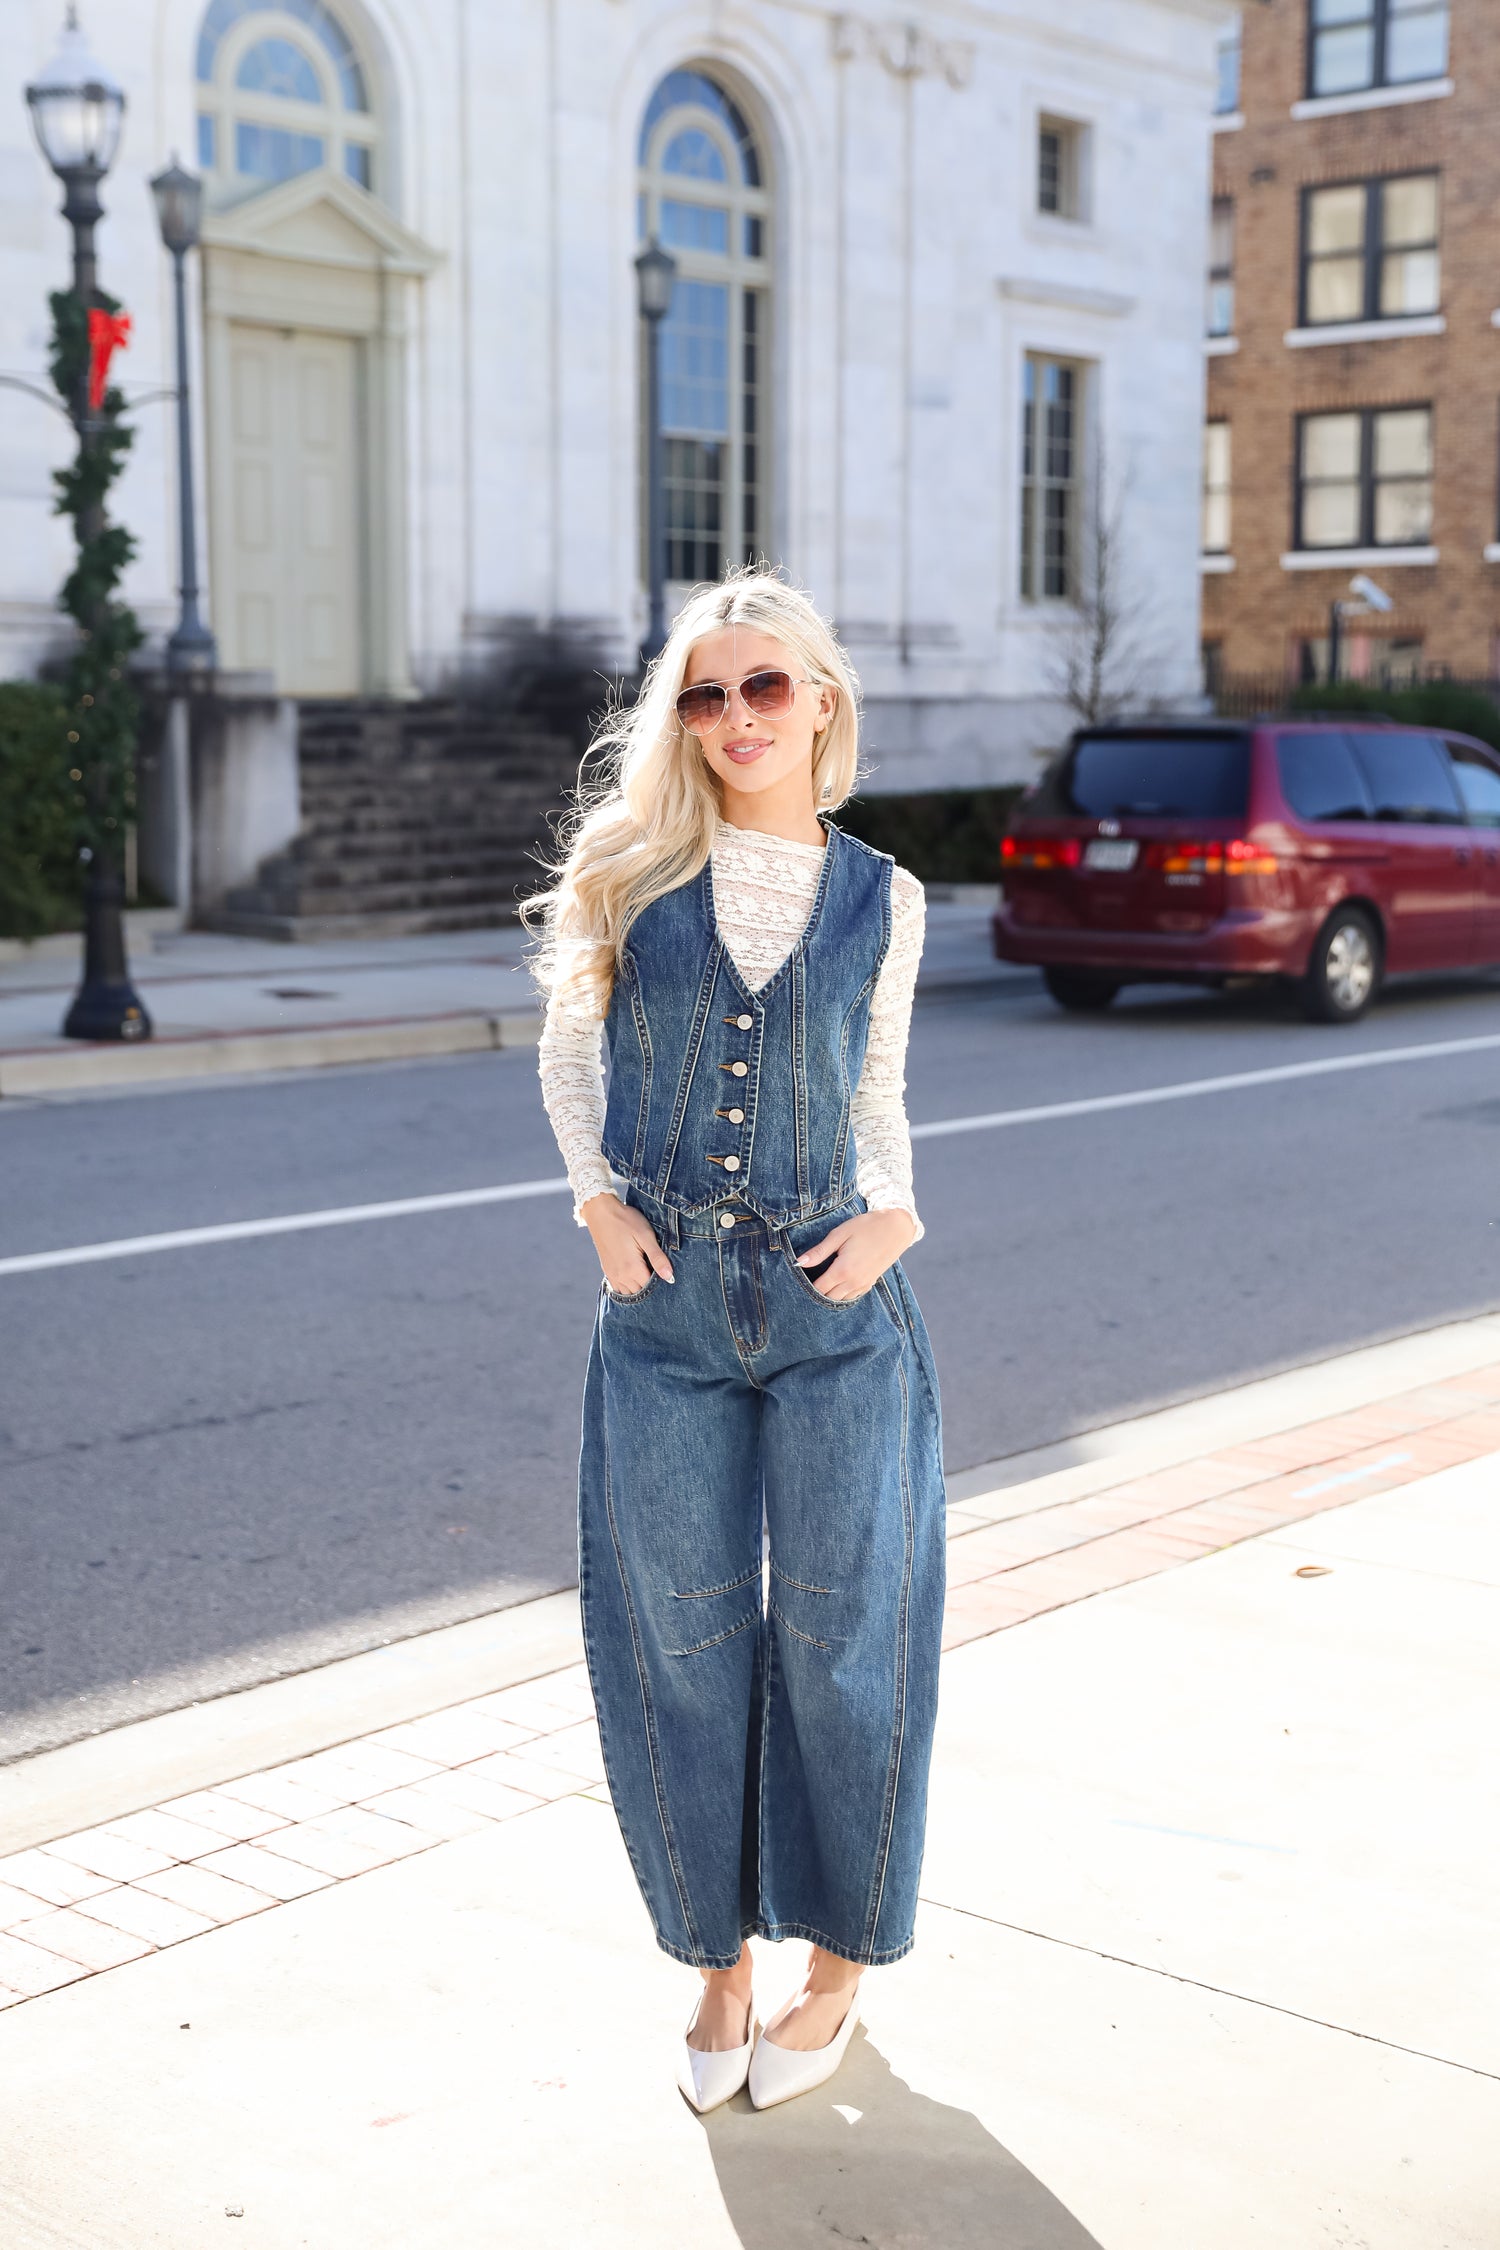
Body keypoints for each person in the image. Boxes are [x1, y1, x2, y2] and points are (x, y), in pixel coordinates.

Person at [528, 566, 945, 2113]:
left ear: (821, 700)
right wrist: (597, 1205)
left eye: (765, 685)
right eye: (706, 694)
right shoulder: (627, 869)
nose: (735, 717)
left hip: (842, 1313)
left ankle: (837, 1960)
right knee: (682, 1643)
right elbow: (571, 1057)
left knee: (848, 1641)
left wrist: (897, 1212)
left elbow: (876, 1089)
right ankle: (718, 1964)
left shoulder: (887, 897)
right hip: (667, 1314)